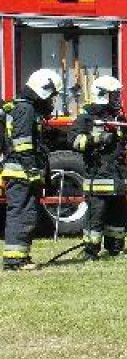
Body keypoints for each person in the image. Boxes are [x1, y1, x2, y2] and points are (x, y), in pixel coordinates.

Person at [2, 69, 62, 271]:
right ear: (43, 89)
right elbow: (23, 144)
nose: (51, 101)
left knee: (27, 214)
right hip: (21, 172)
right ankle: (14, 261)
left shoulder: (25, 108)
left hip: (22, 171)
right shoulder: (25, 109)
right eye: (51, 95)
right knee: (21, 214)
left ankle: (21, 257)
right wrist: (32, 169)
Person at [71, 76, 127, 259]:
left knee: (118, 214)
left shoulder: (118, 117)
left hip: (117, 176)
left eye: (117, 95)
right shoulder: (87, 116)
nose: (117, 99)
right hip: (98, 176)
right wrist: (96, 139)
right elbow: (74, 141)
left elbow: (124, 141)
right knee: (96, 215)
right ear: (102, 94)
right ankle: (91, 251)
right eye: (114, 95)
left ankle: (115, 248)